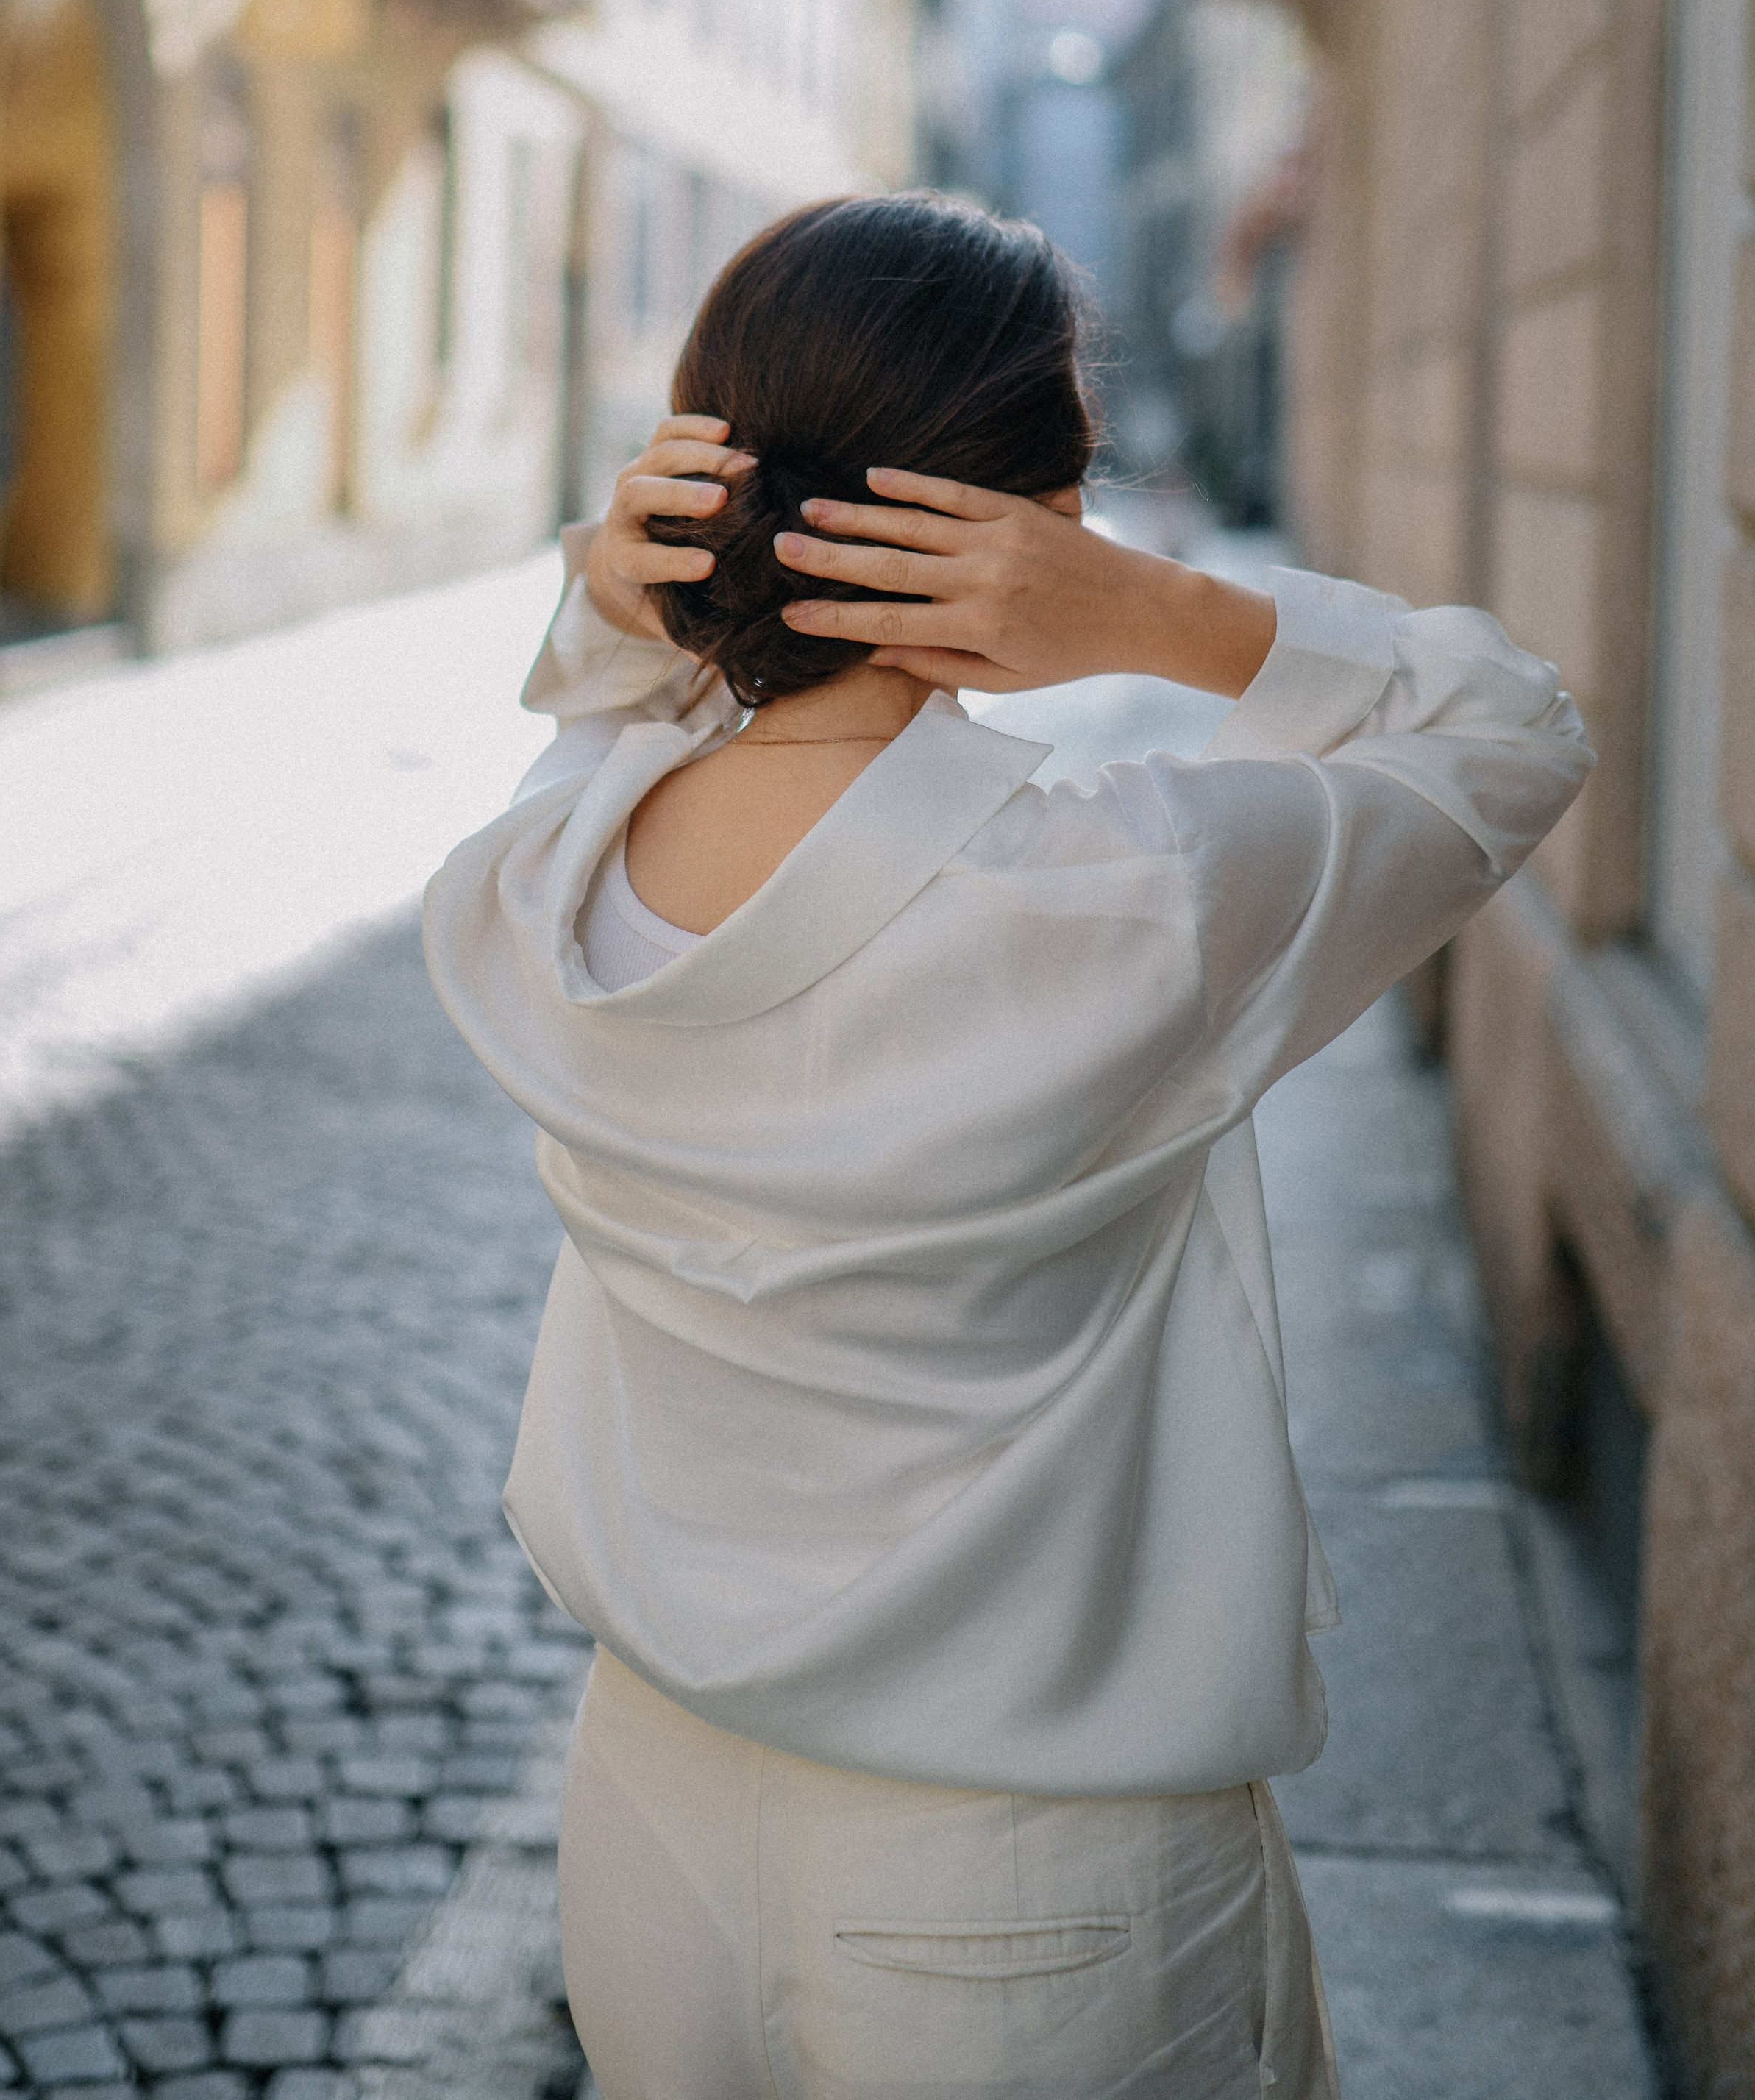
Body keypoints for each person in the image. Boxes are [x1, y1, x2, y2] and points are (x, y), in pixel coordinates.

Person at [424, 193, 1592, 2100]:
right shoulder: (1131, 897)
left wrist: (605, 584)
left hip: (648, 1818)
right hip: (1033, 1866)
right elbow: (1507, 731)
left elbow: (605, 693)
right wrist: (1164, 611)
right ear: (1032, 511)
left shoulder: (529, 888)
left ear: (700, 476)